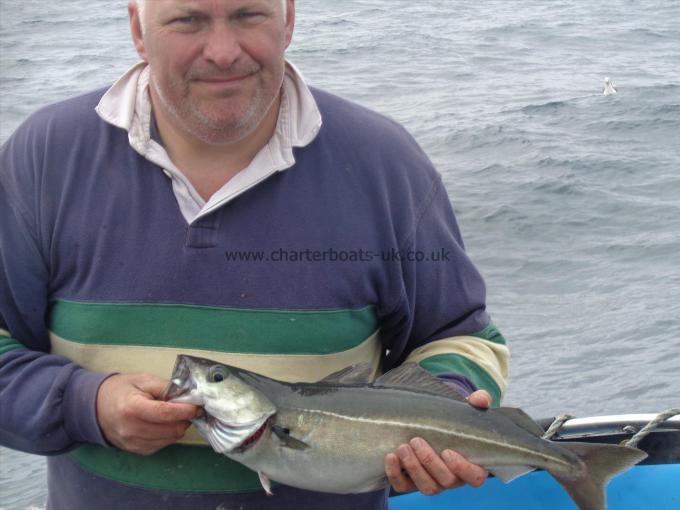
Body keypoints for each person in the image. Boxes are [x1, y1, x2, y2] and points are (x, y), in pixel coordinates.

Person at [0, 1, 509, 508]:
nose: (223, 52)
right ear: (138, 27)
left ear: (287, 17)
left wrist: (444, 410)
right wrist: (87, 406)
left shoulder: (386, 164)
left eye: (248, 15)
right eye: (188, 20)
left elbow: (462, 337)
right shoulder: (43, 159)